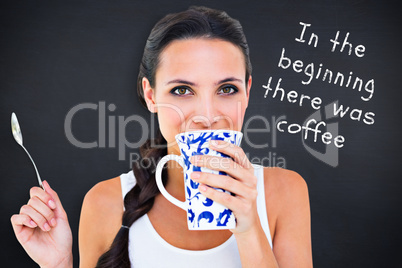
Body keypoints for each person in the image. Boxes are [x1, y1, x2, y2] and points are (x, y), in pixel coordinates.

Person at [11, 6, 312, 268]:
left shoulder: (284, 193)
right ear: (150, 95)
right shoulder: (105, 203)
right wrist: (59, 264)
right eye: (182, 90)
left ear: (247, 93)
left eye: (226, 89)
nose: (206, 116)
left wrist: (248, 229)